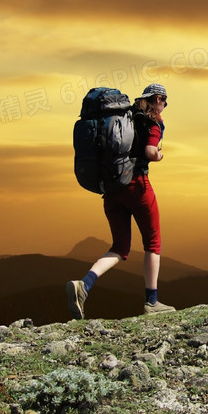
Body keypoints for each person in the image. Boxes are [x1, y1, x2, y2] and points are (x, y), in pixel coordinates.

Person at [67, 83, 176, 318]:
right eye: (165, 101)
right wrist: (158, 155)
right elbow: (149, 151)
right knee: (153, 243)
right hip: (138, 186)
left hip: (112, 188)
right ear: (158, 99)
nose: (165, 106)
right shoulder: (153, 121)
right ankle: (152, 302)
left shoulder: (125, 117)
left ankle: (84, 284)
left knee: (119, 247)